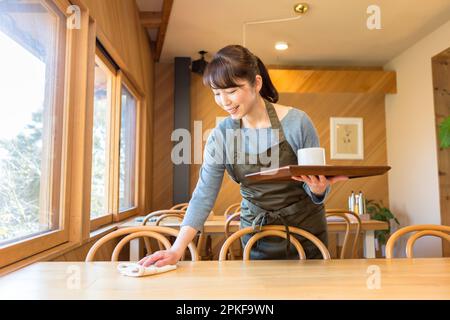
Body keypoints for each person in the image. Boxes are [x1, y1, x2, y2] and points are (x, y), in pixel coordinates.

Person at [139, 44, 348, 267]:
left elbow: (315, 183)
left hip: (306, 232)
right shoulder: (221, 136)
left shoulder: (297, 123)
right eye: (216, 93)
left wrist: (318, 190)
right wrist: (176, 248)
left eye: (231, 91)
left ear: (256, 83)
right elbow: (203, 194)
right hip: (255, 235)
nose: (224, 101)